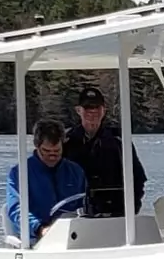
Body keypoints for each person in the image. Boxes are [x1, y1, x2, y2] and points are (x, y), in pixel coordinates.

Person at [63, 86, 147, 218]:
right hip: (76, 215)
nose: (93, 111)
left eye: (97, 107)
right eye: (88, 107)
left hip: (116, 215)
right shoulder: (66, 142)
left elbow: (137, 178)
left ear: (104, 110)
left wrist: (131, 209)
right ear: (78, 110)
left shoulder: (119, 140)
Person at [6, 118, 86, 242]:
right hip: (35, 238)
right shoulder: (19, 173)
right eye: (46, 151)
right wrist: (39, 228)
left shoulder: (76, 171)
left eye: (57, 151)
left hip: (73, 236)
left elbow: (85, 204)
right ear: (37, 146)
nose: (52, 156)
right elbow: (16, 209)